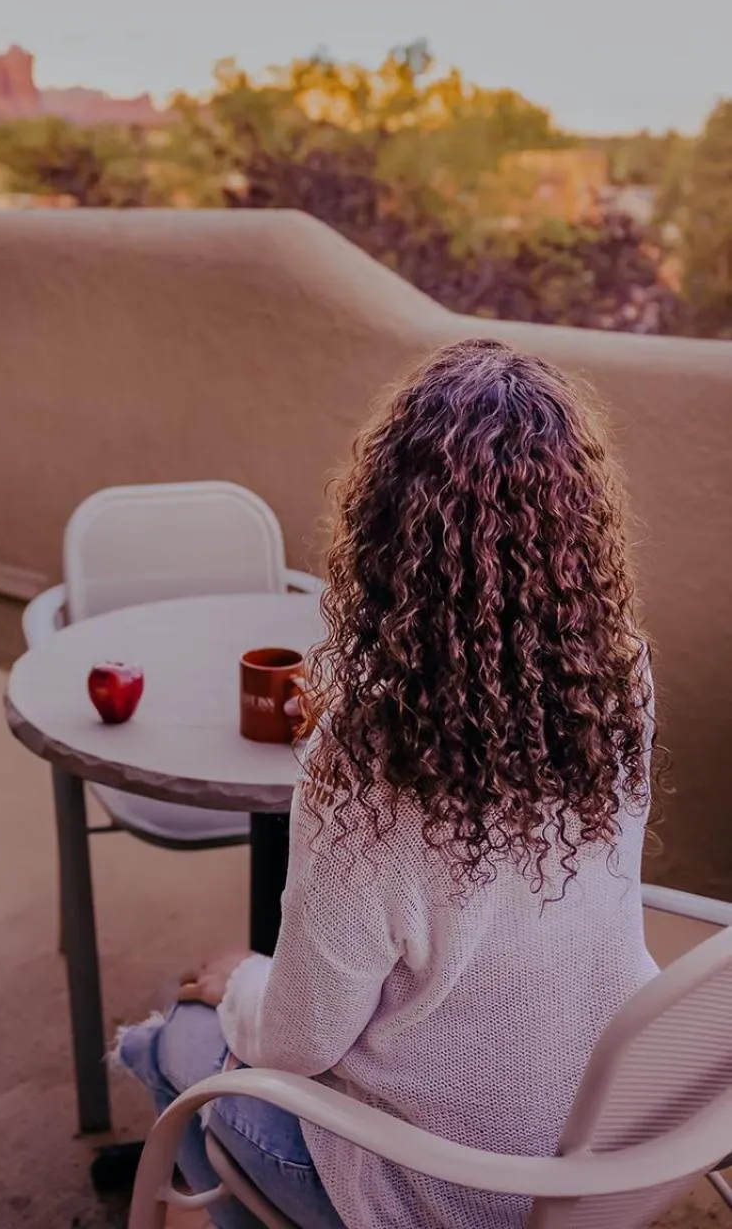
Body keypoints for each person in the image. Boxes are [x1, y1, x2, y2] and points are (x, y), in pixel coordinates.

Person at [113, 339, 662, 1229]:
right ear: (578, 529)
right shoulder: (617, 681)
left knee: (171, 1039)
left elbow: (295, 1045)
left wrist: (239, 980)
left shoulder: (368, 771)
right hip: (605, 1149)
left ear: (386, 537)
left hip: (437, 1190)